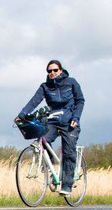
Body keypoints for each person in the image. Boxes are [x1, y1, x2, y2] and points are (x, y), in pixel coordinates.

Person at [15, 60, 85, 195]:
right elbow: (34, 101)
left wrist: (76, 117)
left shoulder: (71, 82)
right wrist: (22, 114)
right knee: (42, 139)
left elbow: (80, 100)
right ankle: (50, 165)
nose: (52, 73)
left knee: (68, 151)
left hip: (69, 121)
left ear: (60, 70)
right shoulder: (45, 87)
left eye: (55, 70)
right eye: (49, 71)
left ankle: (67, 185)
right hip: (52, 120)